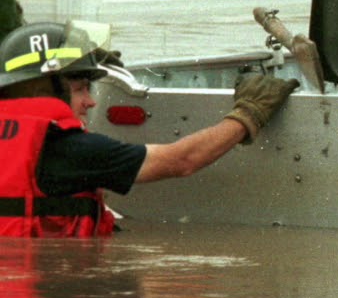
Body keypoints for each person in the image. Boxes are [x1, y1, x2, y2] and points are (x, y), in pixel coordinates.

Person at [0, 22, 299, 237]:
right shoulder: (69, 150)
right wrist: (249, 114)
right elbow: (181, 160)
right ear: (41, 89)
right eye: (80, 89)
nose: (90, 102)